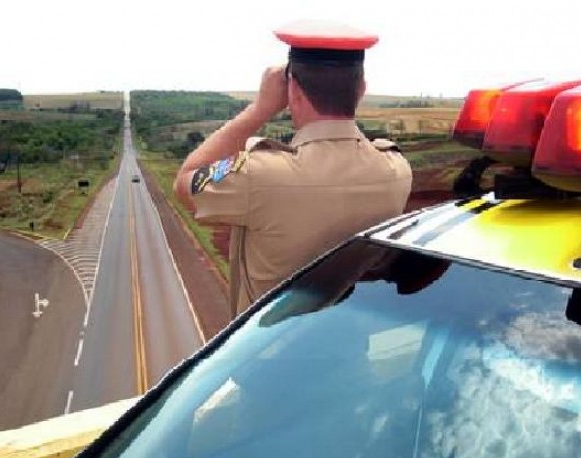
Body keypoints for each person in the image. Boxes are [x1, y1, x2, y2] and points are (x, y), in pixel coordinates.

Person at [174, 19, 413, 317]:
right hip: (350, 355)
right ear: (361, 89)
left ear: (293, 92)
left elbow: (185, 181)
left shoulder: (258, 176)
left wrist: (258, 109)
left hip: (271, 356)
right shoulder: (396, 170)